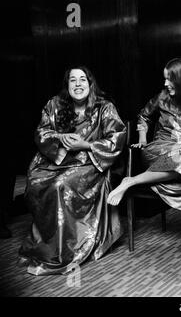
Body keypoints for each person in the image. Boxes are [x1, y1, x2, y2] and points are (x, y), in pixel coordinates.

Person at [19, 66, 127, 275]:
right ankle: (48, 243)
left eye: (82, 80)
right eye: (72, 80)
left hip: (90, 164)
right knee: (36, 183)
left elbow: (117, 138)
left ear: (90, 83)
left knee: (61, 186)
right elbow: (41, 131)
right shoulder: (54, 105)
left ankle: (66, 250)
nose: (78, 84)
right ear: (67, 85)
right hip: (59, 160)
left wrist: (85, 146)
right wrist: (59, 138)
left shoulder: (105, 108)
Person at [107, 57, 181, 246]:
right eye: (165, 79)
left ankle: (132, 181)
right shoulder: (162, 97)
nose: (165, 83)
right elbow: (143, 116)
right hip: (158, 150)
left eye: (170, 79)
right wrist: (143, 139)